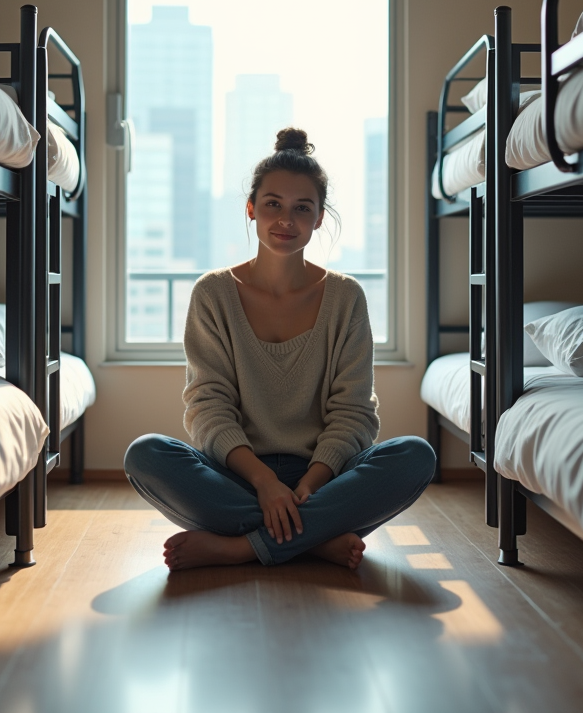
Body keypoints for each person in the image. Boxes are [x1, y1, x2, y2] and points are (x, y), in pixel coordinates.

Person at [124, 127, 436, 571]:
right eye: (273, 204)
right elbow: (207, 407)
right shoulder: (213, 293)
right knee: (146, 454)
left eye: (301, 208)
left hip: (324, 480)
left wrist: (309, 483)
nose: (286, 220)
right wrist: (266, 482)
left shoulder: (346, 298)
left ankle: (242, 546)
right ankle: (313, 539)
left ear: (319, 218)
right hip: (236, 477)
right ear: (251, 209)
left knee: (414, 456)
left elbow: (353, 412)